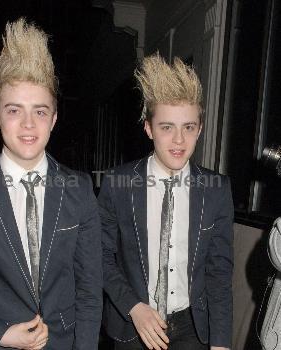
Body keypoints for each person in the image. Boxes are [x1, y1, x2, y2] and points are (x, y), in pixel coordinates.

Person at [0, 18, 102, 350]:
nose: (27, 124)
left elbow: (89, 287)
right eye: (14, 110)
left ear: (53, 118)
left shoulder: (79, 189)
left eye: (39, 111)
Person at [98, 54, 233, 350]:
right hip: (133, 325)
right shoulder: (118, 183)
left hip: (193, 328)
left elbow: (219, 271)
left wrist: (221, 342)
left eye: (188, 127)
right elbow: (100, 256)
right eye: (166, 127)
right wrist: (134, 307)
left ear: (199, 128)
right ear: (149, 128)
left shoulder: (217, 189)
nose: (178, 140)